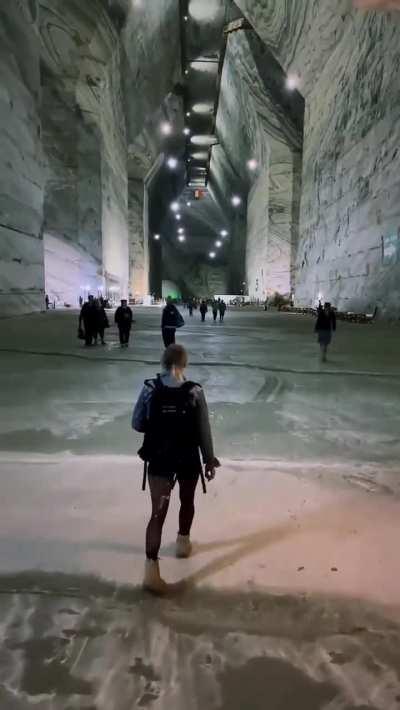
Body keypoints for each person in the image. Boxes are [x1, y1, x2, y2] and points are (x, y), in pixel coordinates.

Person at [132, 344, 220, 593]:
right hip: (187, 458)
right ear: (185, 364)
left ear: (162, 363)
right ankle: (182, 543)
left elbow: (136, 423)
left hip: (159, 459)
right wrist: (209, 459)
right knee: (187, 501)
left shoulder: (150, 388)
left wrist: (157, 425)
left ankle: (151, 572)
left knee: (157, 515)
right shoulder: (194, 391)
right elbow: (204, 429)